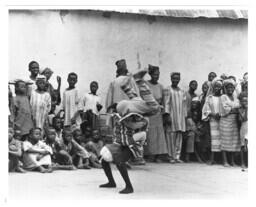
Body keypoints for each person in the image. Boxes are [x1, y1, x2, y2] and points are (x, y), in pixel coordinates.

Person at [99, 112, 148, 194]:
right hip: (121, 144)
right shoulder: (119, 117)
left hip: (130, 145)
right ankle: (111, 182)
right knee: (104, 160)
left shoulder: (133, 118)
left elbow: (138, 128)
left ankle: (129, 187)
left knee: (120, 162)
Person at [144, 64, 168, 162]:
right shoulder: (146, 85)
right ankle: (150, 155)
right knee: (150, 134)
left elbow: (164, 101)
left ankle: (158, 155)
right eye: (154, 74)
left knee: (158, 134)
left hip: (157, 114)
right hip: (149, 112)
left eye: (158, 74)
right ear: (150, 74)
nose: (156, 76)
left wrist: (164, 112)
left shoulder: (161, 86)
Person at [163, 72, 187, 163]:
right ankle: (170, 156)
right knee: (170, 135)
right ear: (171, 79)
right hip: (172, 116)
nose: (175, 80)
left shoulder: (182, 91)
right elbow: (166, 103)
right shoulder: (167, 89)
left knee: (179, 135)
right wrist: (167, 115)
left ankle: (177, 156)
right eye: (174, 78)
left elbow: (184, 105)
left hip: (180, 117)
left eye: (177, 78)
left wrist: (184, 117)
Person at [219, 79, 241, 167]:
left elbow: (239, 108)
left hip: (234, 121)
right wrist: (233, 110)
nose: (230, 89)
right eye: (228, 87)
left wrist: (232, 109)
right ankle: (225, 161)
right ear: (225, 88)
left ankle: (232, 161)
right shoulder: (223, 97)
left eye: (232, 87)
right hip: (225, 121)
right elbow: (224, 109)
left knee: (233, 141)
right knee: (224, 141)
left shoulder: (236, 97)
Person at [202, 78, 223, 165]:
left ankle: (221, 159)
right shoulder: (209, 98)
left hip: (222, 120)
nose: (217, 88)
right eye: (215, 86)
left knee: (222, 139)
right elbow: (205, 110)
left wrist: (221, 114)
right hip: (213, 121)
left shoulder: (223, 97)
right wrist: (213, 114)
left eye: (219, 87)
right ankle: (212, 158)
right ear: (213, 87)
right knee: (214, 139)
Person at [183, 80, 198, 162]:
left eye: (196, 85)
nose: (194, 86)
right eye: (192, 84)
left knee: (191, 135)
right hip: (185, 117)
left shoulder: (196, 96)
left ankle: (187, 156)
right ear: (189, 85)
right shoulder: (185, 94)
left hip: (192, 119)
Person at [238, 91, 248, 170]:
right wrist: (246, 109)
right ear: (240, 102)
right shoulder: (240, 110)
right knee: (243, 145)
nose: (245, 102)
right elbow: (243, 119)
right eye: (243, 101)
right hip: (244, 128)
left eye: (246, 101)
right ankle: (242, 163)